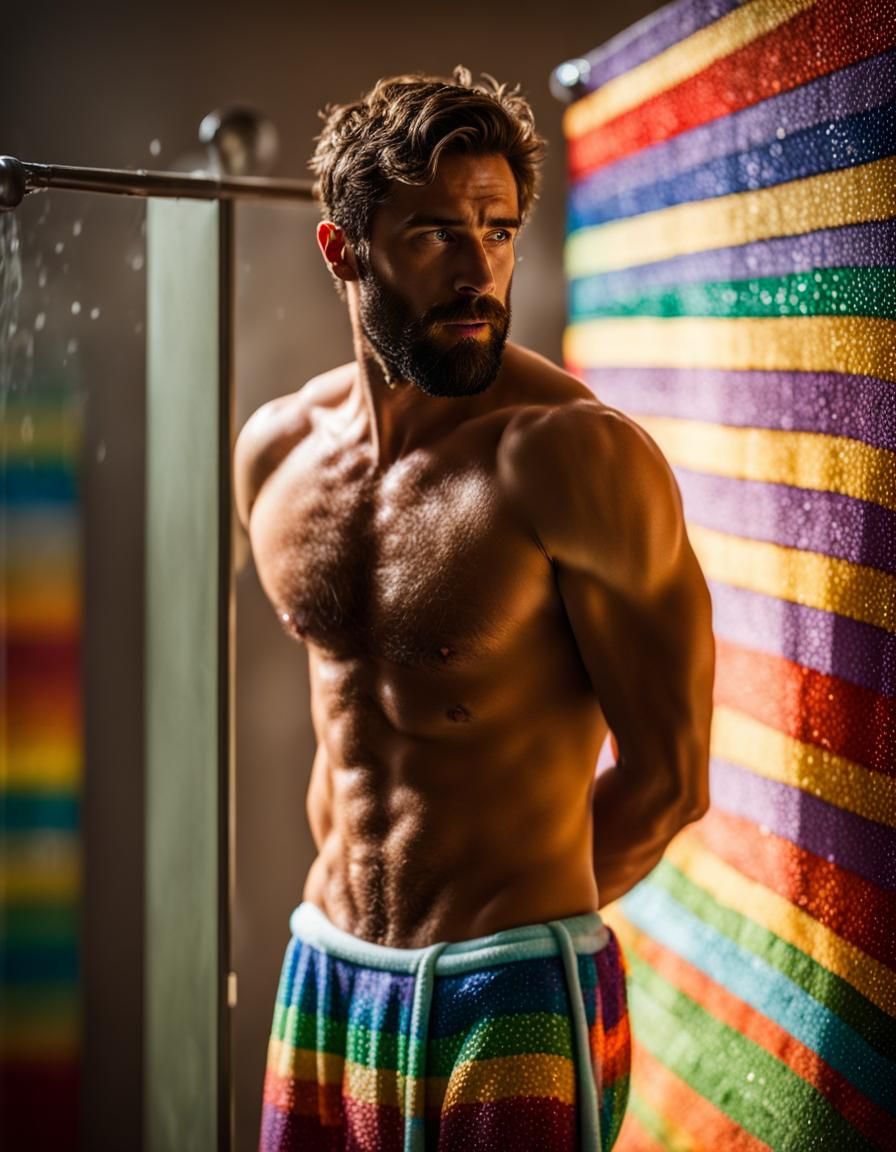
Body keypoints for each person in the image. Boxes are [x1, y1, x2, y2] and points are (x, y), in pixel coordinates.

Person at [235, 67, 715, 1152]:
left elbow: (668, 782)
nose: (476, 271)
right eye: (432, 236)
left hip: (507, 988)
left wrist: (514, 926)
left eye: (496, 231)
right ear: (342, 250)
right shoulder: (276, 455)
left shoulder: (571, 460)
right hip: (327, 964)